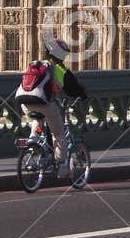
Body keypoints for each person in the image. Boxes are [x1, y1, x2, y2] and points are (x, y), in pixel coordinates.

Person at [18, 36, 88, 176]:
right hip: (44, 103)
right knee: (59, 134)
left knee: (38, 118)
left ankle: (33, 141)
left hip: (24, 101)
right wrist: (83, 95)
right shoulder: (61, 71)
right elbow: (74, 90)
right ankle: (62, 166)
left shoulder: (36, 64)